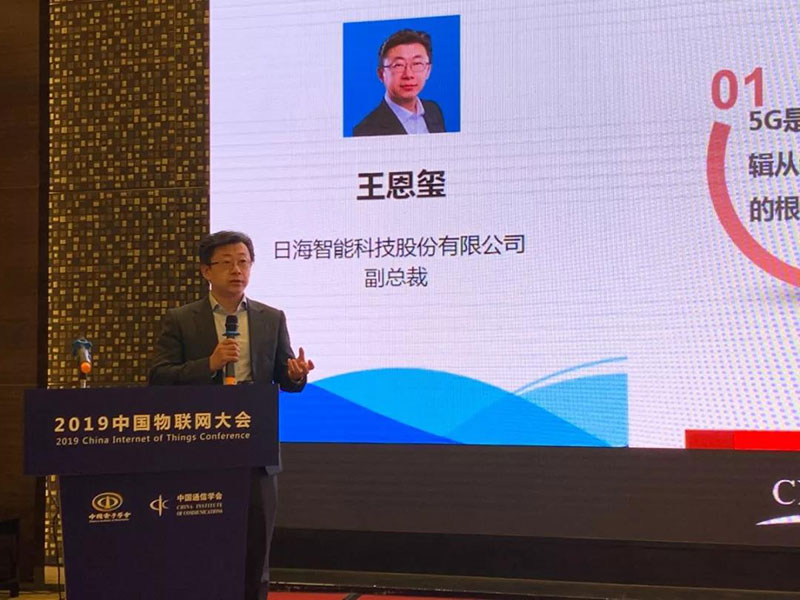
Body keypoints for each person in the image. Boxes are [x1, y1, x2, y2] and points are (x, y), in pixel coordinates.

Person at [149, 230, 314, 600]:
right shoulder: (181, 319)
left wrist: (295, 375)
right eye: (226, 263)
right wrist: (209, 364)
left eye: (243, 262)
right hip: (199, 448)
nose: (237, 270)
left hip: (255, 448)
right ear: (206, 271)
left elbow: (285, 378)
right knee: (200, 545)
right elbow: (159, 377)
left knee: (255, 550)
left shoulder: (271, 318)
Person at [352, 29, 445, 137]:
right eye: (398, 65)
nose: (408, 75)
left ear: (428, 70)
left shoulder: (433, 110)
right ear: (381, 74)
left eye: (417, 64)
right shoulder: (365, 131)